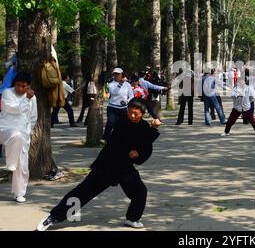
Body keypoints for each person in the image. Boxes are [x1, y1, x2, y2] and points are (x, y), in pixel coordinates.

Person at [36, 98, 161, 231]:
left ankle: (132, 218)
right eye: (130, 112)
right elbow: (130, 138)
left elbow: (145, 147)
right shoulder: (122, 121)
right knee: (83, 192)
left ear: (143, 114)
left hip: (124, 168)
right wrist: (150, 132)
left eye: (136, 114)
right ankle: (54, 217)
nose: (133, 116)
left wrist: (141, 150)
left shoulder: (143, 127)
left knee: (140, 192)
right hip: (107, 165)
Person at [0, 72, 37, 203]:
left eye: (23, 86)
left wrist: (28, 131)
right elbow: (14, 109)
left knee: (23, 166)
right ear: (14, 84)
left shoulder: (32, 97)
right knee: (15, 135)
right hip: (5, 129)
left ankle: (19, 193)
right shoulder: (7, 93)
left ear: (28, 86)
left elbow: (33, 117)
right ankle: (10, 164)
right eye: (18, 85)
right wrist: (26, 99)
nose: (20, 88)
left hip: (23, 134)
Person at [103, 68, 134, 139]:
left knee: (124, 124)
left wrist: (127, 101)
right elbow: (114, 93)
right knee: (111, 122)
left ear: (122, 75)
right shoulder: (111, 84)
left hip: (123, 108)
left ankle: (122, 138)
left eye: (118, 74)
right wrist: (120, 84)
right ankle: (105, 138)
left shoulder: (127, 84)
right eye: (115, 74)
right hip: (112, 107)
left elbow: (131, 96)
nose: (116, 75)